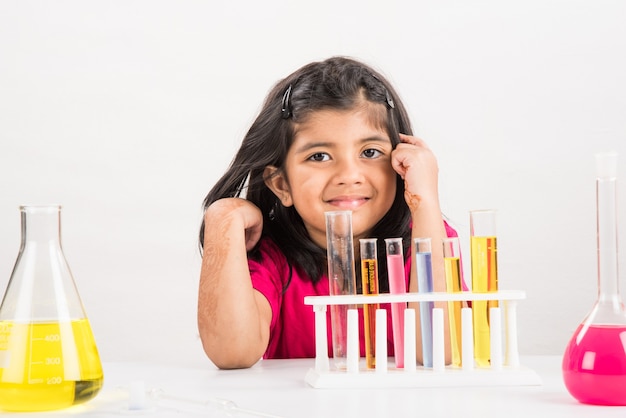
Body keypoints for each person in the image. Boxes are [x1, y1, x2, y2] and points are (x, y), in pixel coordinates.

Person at [198, 56, 456, 369]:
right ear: (281, 185)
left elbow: (439, 351)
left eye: (370, 152)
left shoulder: (426, 236)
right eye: (320, 156)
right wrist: (223, 216)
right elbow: (232, 353)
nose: (349, 174)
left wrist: (425, 201)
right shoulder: (272, 258)